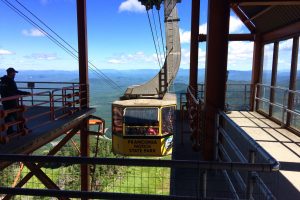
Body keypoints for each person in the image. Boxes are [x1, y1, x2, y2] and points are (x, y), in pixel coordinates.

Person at [0, 68, 30, 135]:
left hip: (5, 101)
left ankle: (9, 131)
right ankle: (23, 129)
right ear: (10, 73)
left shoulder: (2, 81)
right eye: (14, 73)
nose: (15, 74)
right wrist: (26, 93)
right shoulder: (10, 81)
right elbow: (15, 91)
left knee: (7, 116)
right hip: (12, 102)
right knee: (18, 116)